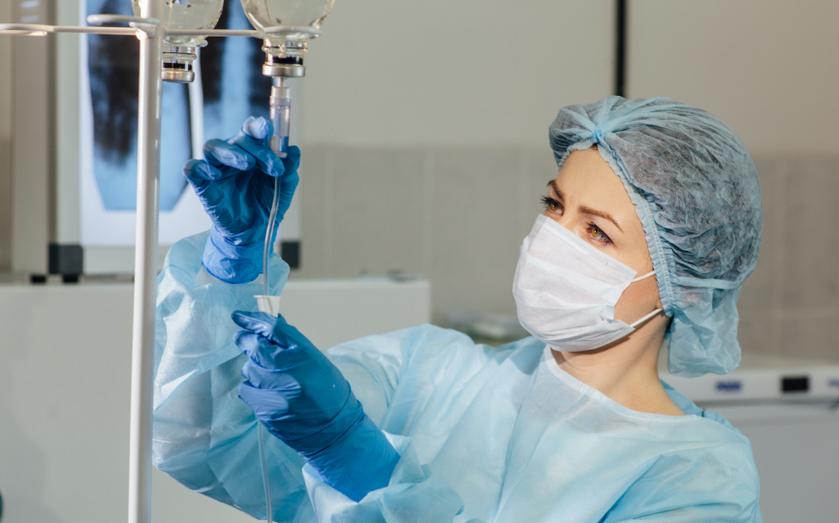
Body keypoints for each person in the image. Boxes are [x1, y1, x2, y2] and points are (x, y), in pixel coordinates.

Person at [153, 96, 764, 522]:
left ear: (685, 285)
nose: (555, 240)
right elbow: (210, 444)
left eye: (598, 233)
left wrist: (361, 462)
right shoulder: (435, 370)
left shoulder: (694, 476)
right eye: (555, 207)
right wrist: (232, 267)